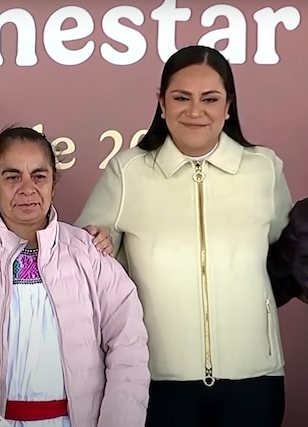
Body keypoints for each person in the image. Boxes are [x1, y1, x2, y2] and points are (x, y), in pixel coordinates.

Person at [75, 45, 292, 427]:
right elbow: (86, 255)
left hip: (255, 380)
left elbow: (281, 256)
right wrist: (100, 242)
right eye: (181, 98)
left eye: (210, 99)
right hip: (157, 381)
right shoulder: (128, 171)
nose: (195, 111)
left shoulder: (264, 169)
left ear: (228, 106)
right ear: (161, 103)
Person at [0, 126, 149, 427]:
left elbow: (128, 343)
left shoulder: (88, 252)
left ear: (53, 183)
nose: (27, 188)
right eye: (12, 176)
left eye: (39, 176)